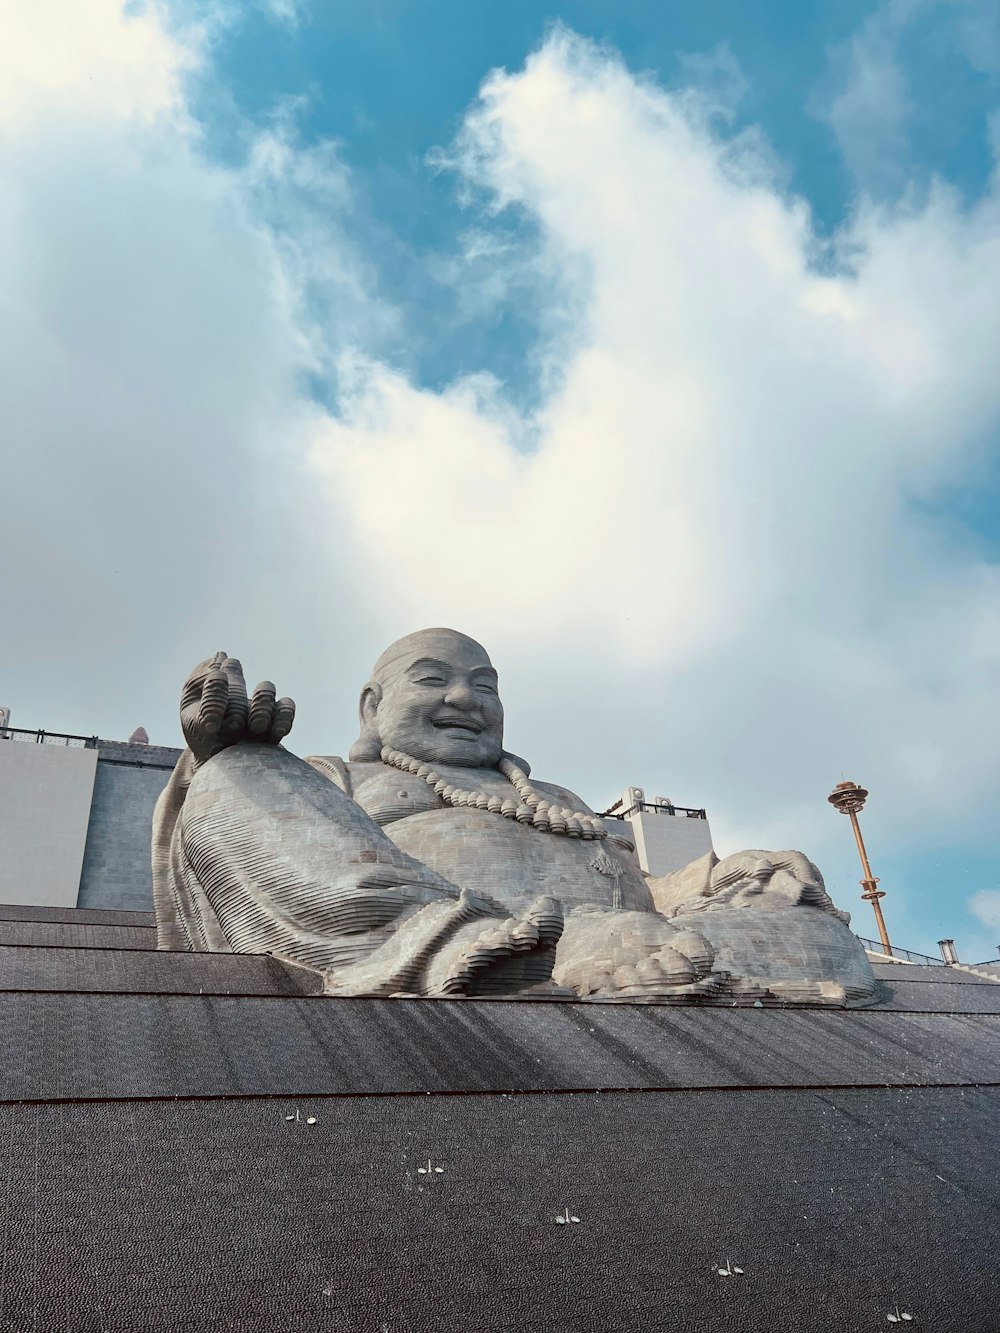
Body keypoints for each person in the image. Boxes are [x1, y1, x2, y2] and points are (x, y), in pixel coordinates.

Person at [153, 628, 875, 1004]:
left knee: (807, 920)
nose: (465, 699)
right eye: (433, 679)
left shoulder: (552, 795)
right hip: (427, 923)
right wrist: (219, 756)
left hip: (640, 933)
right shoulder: (341, 776)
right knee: (231, 780)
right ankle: (506, 950)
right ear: (372, 707)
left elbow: (645, 885)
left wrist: (712, 878)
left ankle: (614, 953)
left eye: (484, 685)